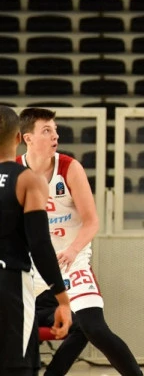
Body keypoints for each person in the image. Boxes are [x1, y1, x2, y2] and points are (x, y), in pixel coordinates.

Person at [17, 108, 142, 376]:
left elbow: (92, 221)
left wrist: (73, 250)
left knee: (94, 327)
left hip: (70, 261)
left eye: (55, 130)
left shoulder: (69, 168)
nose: (55, 136)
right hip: (31, 264)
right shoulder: (15, 171)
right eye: (46, 130)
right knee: (15, 331)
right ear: (28, 138)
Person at [0, 106, 72, 376]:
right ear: (19, 138)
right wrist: (62, 300)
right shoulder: (27, 179)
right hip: (10, 284)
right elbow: (40, 245)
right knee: (16, 367)